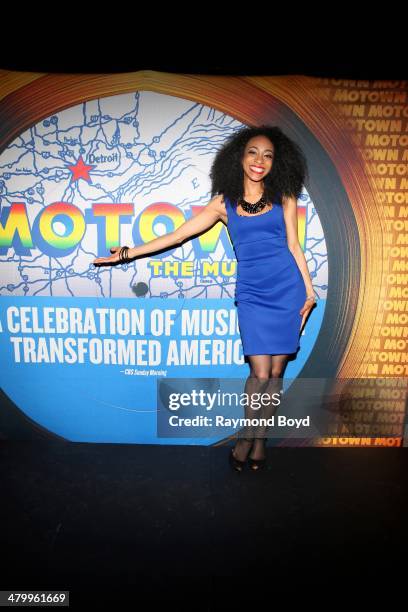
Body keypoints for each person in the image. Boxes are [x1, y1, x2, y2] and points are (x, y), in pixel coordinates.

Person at [93, 125, 316, 472]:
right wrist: (126, 253)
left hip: (287, 290)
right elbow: (178, 235)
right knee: (259, 372)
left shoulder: (283, 196)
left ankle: (260, 441)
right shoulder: (222, 204)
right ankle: (246, 435)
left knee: (275, 374)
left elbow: (293, 246)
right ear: (239, 157)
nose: (260, 160)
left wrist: (310, 290)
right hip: (254, 295)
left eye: (268, 155)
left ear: (276, 163)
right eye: (253, 152)